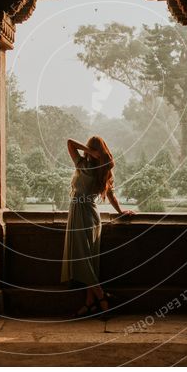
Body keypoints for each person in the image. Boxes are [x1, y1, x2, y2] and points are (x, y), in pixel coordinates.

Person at [61, 136, 135, 318]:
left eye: (90, 149)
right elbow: (111, 197)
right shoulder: (93, 167)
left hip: (82, 215)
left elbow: (70, 143)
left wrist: (120, 211)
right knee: (90, 261)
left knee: (84, 260)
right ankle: (89, 303)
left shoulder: (86, 166)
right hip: (89, 216)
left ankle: (103, 299)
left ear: (92, 150)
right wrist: (119, 211)